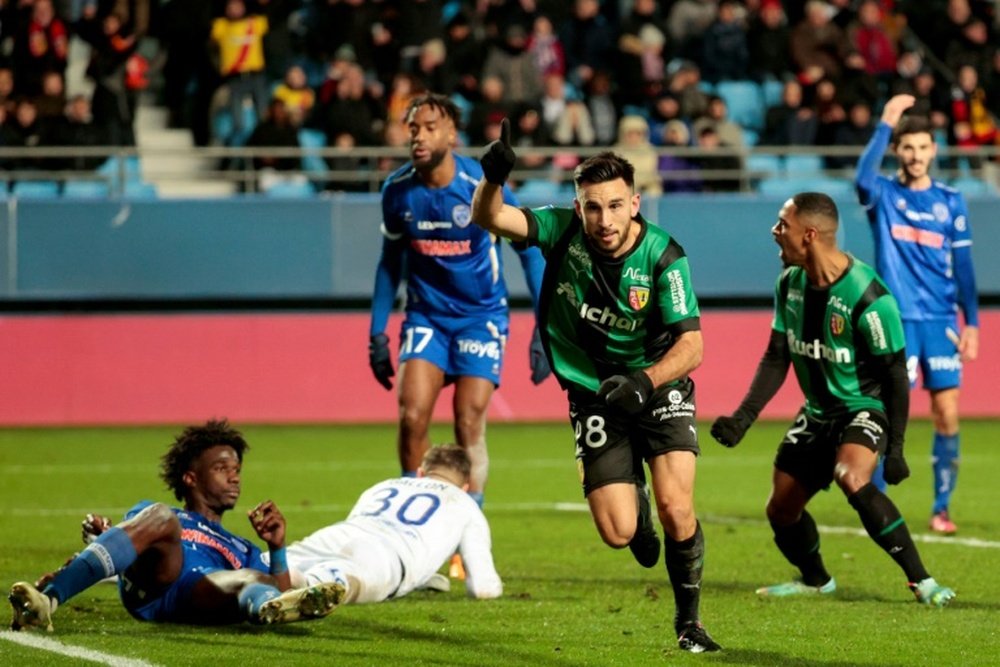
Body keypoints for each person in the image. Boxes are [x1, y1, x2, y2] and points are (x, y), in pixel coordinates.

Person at [470, 125, 720, 654]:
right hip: (591, 393)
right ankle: (638, 507)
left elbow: (692, 346)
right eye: (591, 208)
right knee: (619, 533)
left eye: (613, 206)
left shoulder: (663, 256)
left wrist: (645, 380)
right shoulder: (561, 230)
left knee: (680, 508)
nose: (603, 221)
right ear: (577, 207)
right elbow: (489, 217)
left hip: (655, 383)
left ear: (634, 202)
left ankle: (689, 623)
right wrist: (492, 180)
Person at [710, 193, 956, 608]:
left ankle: (923, 581)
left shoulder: (869, 297)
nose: (774, 232)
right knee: (780, 510)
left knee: (852, 476)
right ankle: (817, 580)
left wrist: (895, 448)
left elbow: (895, 375)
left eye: (781, 225)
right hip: (817, 413)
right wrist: (743, 418)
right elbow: (777, 355)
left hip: (863, 408)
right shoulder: (789, 284)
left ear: (808, 235)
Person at [368, 93, 549, 515]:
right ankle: (414, 527)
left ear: (452, 134)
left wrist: (544, 327)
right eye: (413, 128)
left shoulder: (481, 186)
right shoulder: (397, 191)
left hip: (480, 317)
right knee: (412, 418)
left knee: (468, 420)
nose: (419, 136)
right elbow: (389, 263)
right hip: (427, 316)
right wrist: (377, 331)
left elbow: (529, 251)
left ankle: (468, 525)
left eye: (430, 127)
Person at [8, 420, 344, 631]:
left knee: (253, 578)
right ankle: (47, 602)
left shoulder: (242, 546)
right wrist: (100, 540)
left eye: (237, 468)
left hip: (202, 594)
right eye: (222, 468)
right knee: (161, 518)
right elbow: (136, 542)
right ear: (190, 477)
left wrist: (277, 547)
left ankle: (261, 609)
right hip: (157, 579)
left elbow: (286, 593)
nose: (235, 476)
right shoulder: (160, 514)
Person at [74, 445, 502, 606]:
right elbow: (482, 586)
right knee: (342, 581)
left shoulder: (387, 484)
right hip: (386, 559)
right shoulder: (467, 505)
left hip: (339, 534)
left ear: (422, 473)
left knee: (261, 573)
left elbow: (362, 522)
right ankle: (313, 594)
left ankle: (126, 563)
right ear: (465, 483)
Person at [855, 94, 979, 534]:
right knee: (887, 413)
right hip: (897, 322)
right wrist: (886, 122)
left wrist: (973, 325)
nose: (917, 155)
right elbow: (861, 177)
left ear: (934, 150)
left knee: (947, 415)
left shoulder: (951, 201)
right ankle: (877, 505)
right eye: (908, 147)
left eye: (924, 147)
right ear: (898, 151)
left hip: (942, 322)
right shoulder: (883, 194)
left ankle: (941, 508)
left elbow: (964, 269)